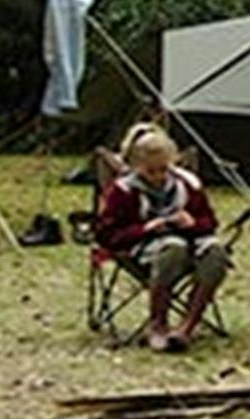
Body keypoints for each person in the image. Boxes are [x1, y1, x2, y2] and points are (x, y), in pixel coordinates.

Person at [94, 122, 228, 352]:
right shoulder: (123, 191)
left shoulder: (188, 185)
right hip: (144, 247)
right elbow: (106, 235)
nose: (158, 176)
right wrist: (146, 228)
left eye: (164, 169)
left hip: (192, 240)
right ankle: (158, 323)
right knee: (173, 247)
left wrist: (192, 223)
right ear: (136, 166)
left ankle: (187, 326)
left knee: (216, 252)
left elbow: (210, 223)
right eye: (150, 171)